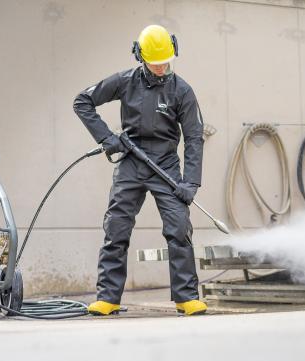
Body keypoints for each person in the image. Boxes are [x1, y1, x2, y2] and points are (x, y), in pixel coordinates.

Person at [73, 25, 207, 316]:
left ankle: (186, 298)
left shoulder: (182, 90)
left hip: (165, 165)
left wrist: (191, 182)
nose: (161, 67)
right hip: (131, 160)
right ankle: (108, 297)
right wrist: (107, 139)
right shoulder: (124, 81)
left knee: (179, 227)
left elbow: (194, 137)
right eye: (155, 62)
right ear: (141, 57)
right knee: (116, 227)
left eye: (165, 62)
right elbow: (82, 102)